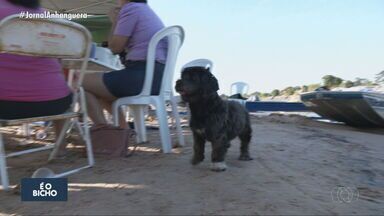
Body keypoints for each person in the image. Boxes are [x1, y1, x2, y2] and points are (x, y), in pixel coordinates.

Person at [0, 0, 72, 157]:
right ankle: (60, 146)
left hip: (6, 105)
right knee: (60, 85)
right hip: (56, 103)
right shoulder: (47, 17)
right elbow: (59, 61)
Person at [83, 0, 167, 127]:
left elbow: (115, 48)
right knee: (97, 88)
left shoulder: (130, 9)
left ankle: (106, 132)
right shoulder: (145, 10)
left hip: (141, 77)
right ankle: (123, 130)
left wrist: (115, 21)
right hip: (156, 78)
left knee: (78, 82)